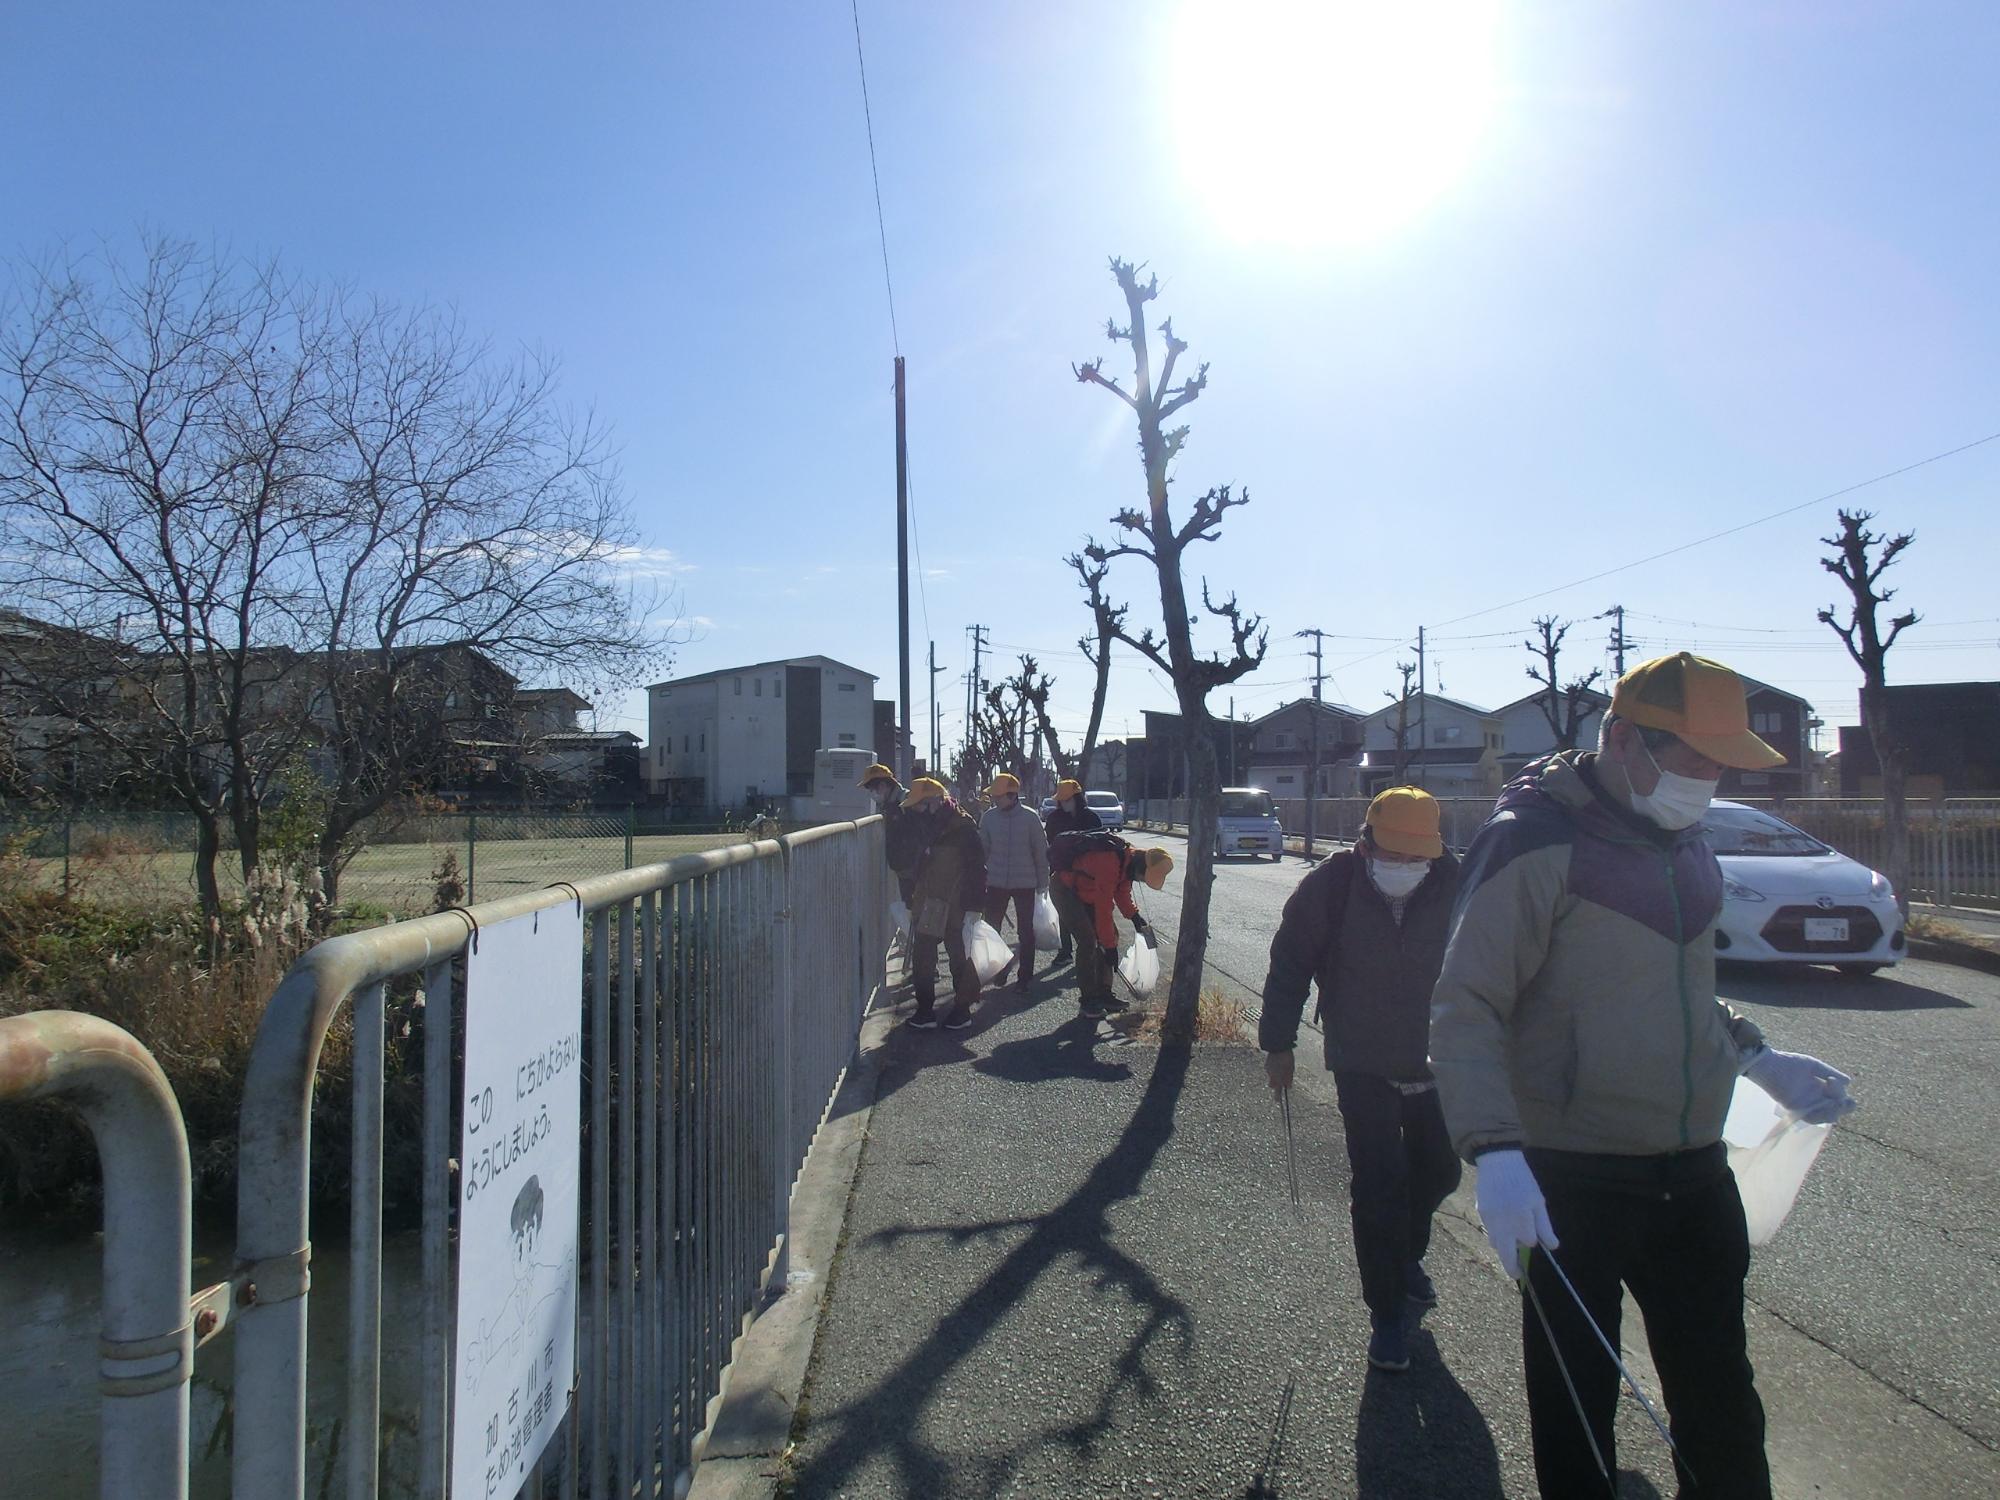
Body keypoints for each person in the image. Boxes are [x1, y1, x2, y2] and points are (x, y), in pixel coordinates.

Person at [1430, 653, 1858, 1498]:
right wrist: (1497, 1150)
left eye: (1720, 763)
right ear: (1625, 739)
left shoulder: (1685, 839)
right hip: (1570, 1178)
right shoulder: (1531, 840)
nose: (1709, 778)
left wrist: (1755, 1053)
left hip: (1693, 1172)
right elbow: (1465, 1005)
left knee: (1722, 1398)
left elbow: (1679, 987)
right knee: (1578, 1408)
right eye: (1694, 759)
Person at [1259, 786, 1462, 1374]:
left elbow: (1495, 964)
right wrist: (1278, 1043)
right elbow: (1290, 961)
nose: (1405, 866)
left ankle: (1404, 1257)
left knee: (1439, 1171)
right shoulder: (1331, 885)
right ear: (1367, 842)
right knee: (1378, 1185)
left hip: (1440, 1058)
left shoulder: (1455, 883)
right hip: (1361, 1057)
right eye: (1393, 854)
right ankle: (1388, 1314)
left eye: (1416, 856)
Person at [1052, 833, 1171, 1020]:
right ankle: (1089, 999)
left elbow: (1122, 894)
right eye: (1142, 876)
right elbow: (1103, 908)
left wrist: (1135, 917)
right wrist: (1109, 947)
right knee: (1089, 941)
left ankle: (1104, 994)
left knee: (1110, 937)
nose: (1140, 879)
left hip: (1088, 893)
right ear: (1141, 865)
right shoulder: (1110, 862)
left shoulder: (1127, 865)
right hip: (1066, 890)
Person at [901, 777, 988, 1030]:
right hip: (931, 902)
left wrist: (974, 906)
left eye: (920, 804)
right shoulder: (928, 824)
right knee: (924, 956)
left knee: (958, 957)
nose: (916, 809)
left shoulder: (963, 828)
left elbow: (977, 869)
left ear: (935, 802)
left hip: (956, 902)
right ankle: (926, 1011)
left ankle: (961, 1010)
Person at [978, 772, 1049, 994]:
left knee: (1025, 931)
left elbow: (1040, 852)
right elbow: (983, 850)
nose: (995, 800)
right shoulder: (988, 818)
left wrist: (1043, 883)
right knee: (991, 928)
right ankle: (997, 970)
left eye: (998, 796)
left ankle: (1025, 976)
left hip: (1025, 882)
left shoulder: (1030, 818)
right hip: (996, 881)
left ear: (1012, 795)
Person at [1042, 779, 1102, 964]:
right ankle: (1065, 951)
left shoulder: (1091, 817)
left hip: (1088, 876)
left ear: (1077, 798)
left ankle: (1094, 951)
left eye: (1067, 799)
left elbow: (1100, 846)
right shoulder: (1054, 818)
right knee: (1064, 914)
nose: (1063, 803)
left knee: (1091, 913)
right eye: (1061, 800)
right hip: (1061, 874)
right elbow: (1050, 844)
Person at [858, 762, 931, 905]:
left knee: (916, 911)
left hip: (916, 871)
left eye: (872, 789)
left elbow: (923, 831)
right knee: (910, 911)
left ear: (883, 786)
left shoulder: (907, 801)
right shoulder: (889, 805)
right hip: (904, 870)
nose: (871, 794)